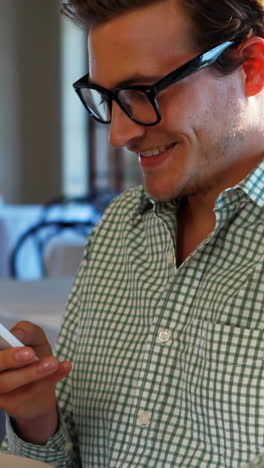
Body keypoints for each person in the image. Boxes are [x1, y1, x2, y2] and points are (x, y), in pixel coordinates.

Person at [0, 0, 264, 466]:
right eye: (107, 98)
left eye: (143, 91)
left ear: (252, 67)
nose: (118, 135)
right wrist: (39, 417)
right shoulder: (119, 227)